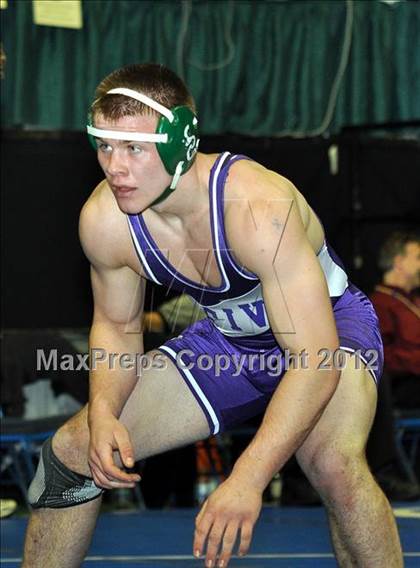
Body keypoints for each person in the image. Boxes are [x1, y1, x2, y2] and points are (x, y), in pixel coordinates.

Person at [22, 63, 403, 568]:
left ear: (181, 140)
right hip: (232, 344)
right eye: (105, 145)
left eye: (135, 148)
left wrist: (246, 479)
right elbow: (118, 327)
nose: (116, 167)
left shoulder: (257, 207)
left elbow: (314, 360)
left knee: (330, 461)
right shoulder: (105, 221)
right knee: (73, 452)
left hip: (328, 332)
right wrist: (105, 411)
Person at [370, 231, 420, 409]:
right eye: (418, 258)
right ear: (399, 262)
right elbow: (381, 357)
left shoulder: (413, 300)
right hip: (403, 386)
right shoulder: (379, 304)